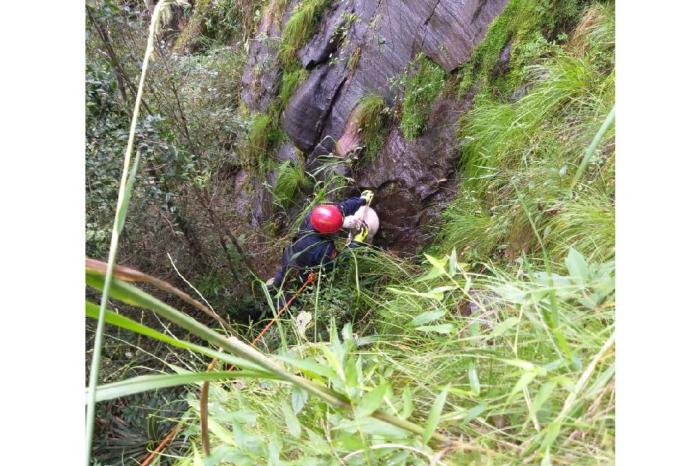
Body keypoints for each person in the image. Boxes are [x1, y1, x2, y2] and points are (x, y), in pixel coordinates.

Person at [268, 190, 374, 291]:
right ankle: (276, 294)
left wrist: (362, 200)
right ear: (328, 232)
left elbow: (342, 207)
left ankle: (273, 284)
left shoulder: (316, 215)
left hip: (289, 254)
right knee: (293, 285)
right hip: (300, 268)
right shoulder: (323, 249)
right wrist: (356, 242)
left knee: (281, 274)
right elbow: (338, 263)